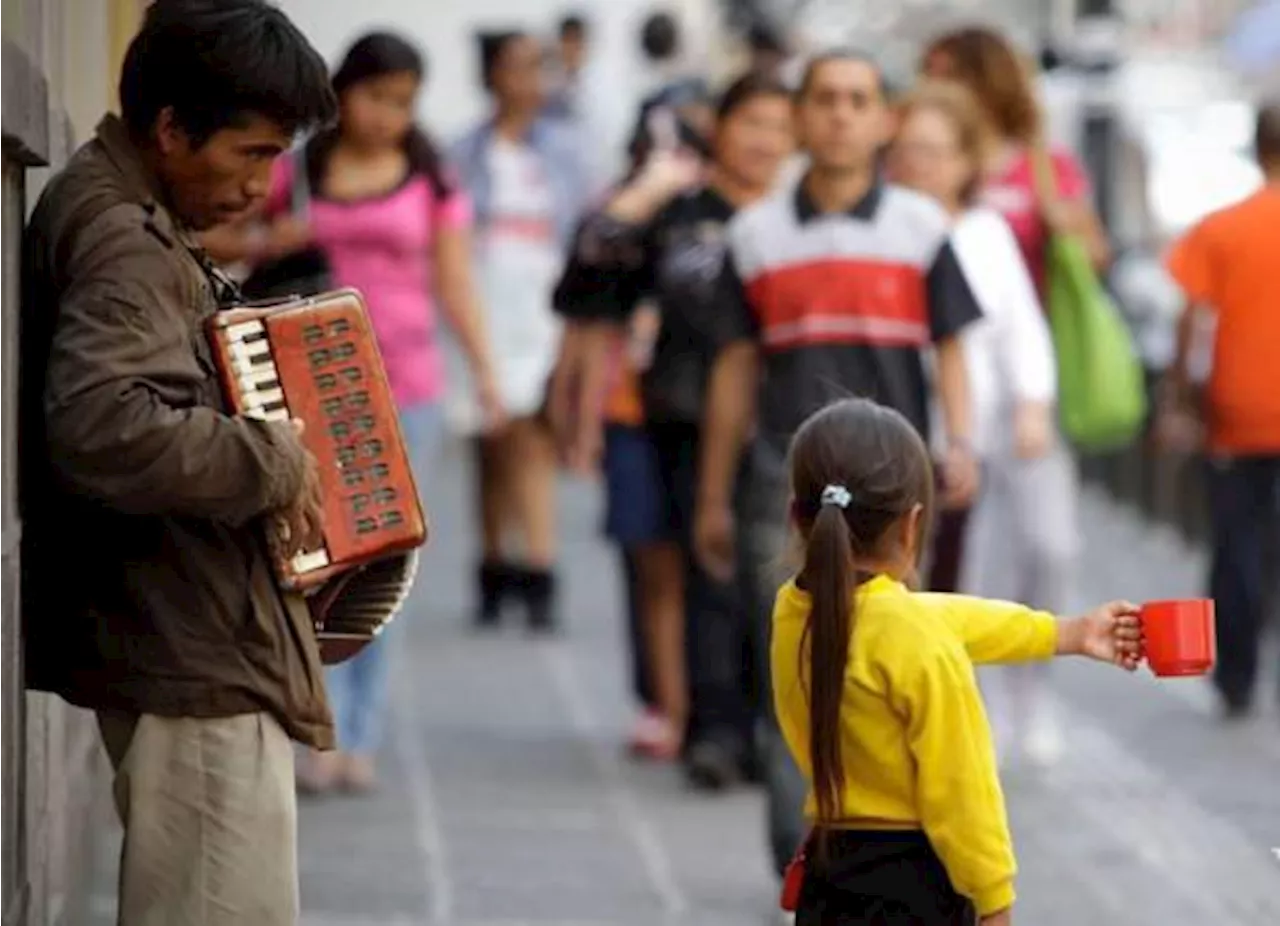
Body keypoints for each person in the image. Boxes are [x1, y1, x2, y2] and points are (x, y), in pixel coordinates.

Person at [19, 1, 335, 923]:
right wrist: (272, 456)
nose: (259, 187)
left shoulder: (129, 210)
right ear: (169, 128)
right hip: (191, 657)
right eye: (250, 154)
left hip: (194, 636)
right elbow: (101, 423)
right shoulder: (123, 235)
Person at [690, 50, 984, 875]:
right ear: (801, 115)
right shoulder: (754, 234)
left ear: (884, 118)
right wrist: (713, 495)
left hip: (898, 490)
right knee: (795, 675)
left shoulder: (924, 229)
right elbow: (734, 370)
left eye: (860, 100)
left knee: (904, 670)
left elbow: (953, 346)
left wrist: (963, 441)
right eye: (826, 99)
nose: (842, 115)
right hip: (784, 488)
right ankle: (806, 867)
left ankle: (897, 858)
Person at [205, 31, 504, 792]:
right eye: (377, 96)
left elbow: (456, 283)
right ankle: (319, 723)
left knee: (386, 560)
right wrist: (273, 235)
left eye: (404, 102)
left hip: (408, 387)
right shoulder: (298, 172)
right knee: (314, 557)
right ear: (346, 92)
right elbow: (213, 237)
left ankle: (360, 730)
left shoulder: (432, 180)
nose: (389, 116)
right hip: (310, 387)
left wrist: (487, 374)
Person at [774, 397, 1143, 924]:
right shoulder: (913, 640)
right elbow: (962, 790)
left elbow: (929, 617)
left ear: (797, 516)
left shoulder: (793, 612)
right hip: (917, 884)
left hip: (829, 872)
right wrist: (995, 901)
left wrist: (1064, 633)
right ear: (912, 525)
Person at [555, 73, 795, 784]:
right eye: (750, 122)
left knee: (778, 583)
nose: (764, 140)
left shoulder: (801, 219)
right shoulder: (680, 213)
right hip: (684, 415)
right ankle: (713, 728)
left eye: (780, 126)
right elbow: (586, 276)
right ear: (718, 129)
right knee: (706, 575)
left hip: (785, 425)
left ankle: (771, 728)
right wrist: (648, 190)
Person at [920, 26, 1094, 759]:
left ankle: (1033, 692)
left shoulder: (1036, 172)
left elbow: (1058, 282)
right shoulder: (910, 212)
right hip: (937, 410)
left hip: (1020, 389)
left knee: (1048, 546)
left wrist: (1033, 398)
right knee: (966, 558)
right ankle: (982, 699)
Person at [891, 83, 1068, 766]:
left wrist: (1032, 404)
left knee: (1021, 561)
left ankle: (1018, 698)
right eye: (908, 151)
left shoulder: (985, 233)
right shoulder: (891, 228)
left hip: (983, 438)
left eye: (935, 152)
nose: (920, 165)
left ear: (966, 161)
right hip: (904, 437)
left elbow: (1022, 330)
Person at [450, 30, 587, 631]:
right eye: (518, 66)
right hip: (484, 305)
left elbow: (587, 227)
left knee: (534, 433)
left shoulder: (568, 151)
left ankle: (539, 565)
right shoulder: (462, 152)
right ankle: (492, 559)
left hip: (543, 308)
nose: (530, 80)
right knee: (490, 437)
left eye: (540, 67)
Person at [1158, 102, 1280, 719]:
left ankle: (1237, 677)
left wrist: (1180, 399)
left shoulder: (1220, 229)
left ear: (1257, 149)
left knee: (1237, 543)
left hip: (1237, 415)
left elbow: (1192, 321)